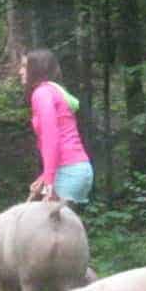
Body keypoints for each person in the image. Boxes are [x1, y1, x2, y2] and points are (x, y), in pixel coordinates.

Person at [20, 48, 94, 204]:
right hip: (74, 169)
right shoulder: (53, 90)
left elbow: (51, 138)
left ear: (36, 69)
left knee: (47, 227)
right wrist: (44, 178)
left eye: (24, 66)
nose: (20, 71)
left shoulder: (42, 93)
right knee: (59, 227)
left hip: (68, 171)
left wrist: (48, 184)